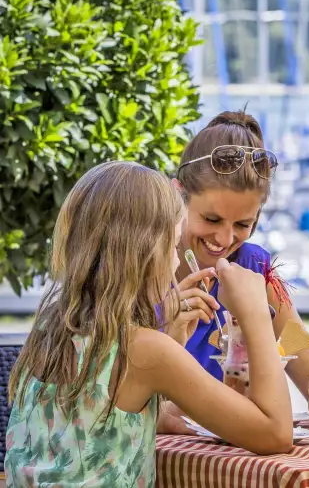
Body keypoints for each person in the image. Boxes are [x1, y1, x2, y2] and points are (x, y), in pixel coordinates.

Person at [5, 162, 293, 486]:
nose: (175, 260)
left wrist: (170, 346)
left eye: (244, 223)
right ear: (145, 253)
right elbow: (276, 434)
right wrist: (255, 316)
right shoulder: (143, 350)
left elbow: (91, 429)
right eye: (172, 246)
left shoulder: (50, 331)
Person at [158, 110, 309, 434]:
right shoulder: (140, 272)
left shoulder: (258, 270)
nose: (224, 240)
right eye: (211, 219)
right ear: (177, 195)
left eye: (242, 224)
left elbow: (301, 352)